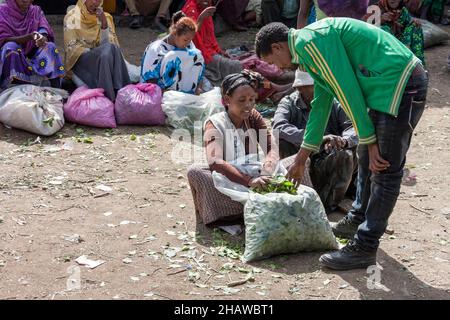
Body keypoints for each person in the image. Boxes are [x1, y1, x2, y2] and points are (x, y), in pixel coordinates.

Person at [255, 20, 428, 270]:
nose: (278, 68)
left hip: (400, 84)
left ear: (279, 47)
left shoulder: (309, 42)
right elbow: (322, 102)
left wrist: (368, 140)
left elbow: (347, 90)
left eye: (273, 61)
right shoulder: (308, 49)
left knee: (385, 169)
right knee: (368, 160)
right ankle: (357, 219)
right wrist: (301, 159)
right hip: (384, 87)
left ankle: (365, 247)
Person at [187, 71, 298, 225]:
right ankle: (229, 214)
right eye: (242, 100)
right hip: (231, 177)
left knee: (300, 162)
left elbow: (271, 147)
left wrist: (268, 167)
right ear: (227, 100)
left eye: (252, 99)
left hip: (256, 171)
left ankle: (294, 206)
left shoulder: (254, 116)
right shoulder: (214, 123)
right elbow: (215, 162)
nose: (248, 105)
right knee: (196, 172)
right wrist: (249, 180)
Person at [273, 70, 358, 212]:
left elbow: (352, 126)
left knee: (348, 152)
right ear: (300, 88)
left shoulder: (334, 101)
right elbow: (279, 126)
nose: (320, 89)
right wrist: (315, 139)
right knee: (281, 140)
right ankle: (295, 189)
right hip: (301, 158)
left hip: (330, 157)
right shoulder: (288, 102)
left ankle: (330, 204)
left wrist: (343, 140)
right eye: (314, 86)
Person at [183, 0, 293, 99]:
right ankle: (274, 88)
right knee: (242, 68)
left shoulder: (205, 7)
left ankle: (278, 78)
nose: (207, 1)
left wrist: (220, 51)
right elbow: (189, 42)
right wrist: (201, 19)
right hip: (202, 58)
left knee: (252, 59)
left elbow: (210, 38)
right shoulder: (190, 10)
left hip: (211, 54)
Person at [64, 0, 130, 101]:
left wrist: (104, 24)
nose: (95, 3)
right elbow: (72, 48)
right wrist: (95, 52)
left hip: (103, 59)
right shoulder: (74, 16)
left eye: (99, 0)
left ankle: (113, 95)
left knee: (111, 49)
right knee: (107, 50)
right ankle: (120, 91)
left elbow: (110, 46)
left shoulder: (104, 17)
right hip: (82, 62)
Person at [0, 0, 64, 90]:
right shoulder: (2, 11)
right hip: (12, 52)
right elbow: (3, 38)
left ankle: (56, 90)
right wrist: (29, 37)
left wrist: (42, 37)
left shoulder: (35, 11)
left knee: (49, 46)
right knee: (10, 47)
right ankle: (15, 88)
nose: (25, 0)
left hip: (32, 49)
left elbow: (43, 26)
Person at [141, 11, 205, 94]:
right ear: (175, 33)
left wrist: (198, 87)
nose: (188, 43)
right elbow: (150, 81)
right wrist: (168, 95)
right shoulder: (156, 49)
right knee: (173, 56)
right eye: (185, 40)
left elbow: (199, 66)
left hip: (182, 94)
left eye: (190, 40)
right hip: (158, 93)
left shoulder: (187, 44)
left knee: (197, 54)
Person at [369, 0, 425, 66]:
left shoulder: (402, 10)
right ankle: (392, 65)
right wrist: (380, 19)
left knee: (416, 26)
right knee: (384, 28)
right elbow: (365, 28)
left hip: (400, 42)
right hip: (382, 46)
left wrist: (414, 22)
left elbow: (408, 23)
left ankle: (418, 64)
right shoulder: (375, 8)